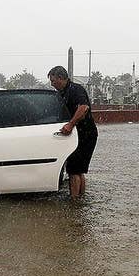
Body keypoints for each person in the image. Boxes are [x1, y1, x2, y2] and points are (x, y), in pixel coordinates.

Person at [48, 65, 98, 199]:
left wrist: (70, 124)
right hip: (77, 134)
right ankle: (80, 200)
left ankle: (74, 202)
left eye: (53, 81)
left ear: (61, 78)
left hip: (85, 134)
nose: (52, 84)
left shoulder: (76, 89)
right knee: (79, 169)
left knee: (74, 169)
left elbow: (83, 107)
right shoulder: (61, 93)